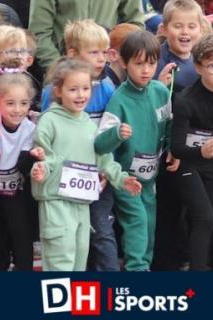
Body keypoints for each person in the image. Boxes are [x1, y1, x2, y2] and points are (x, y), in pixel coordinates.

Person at [31, 57, 141, 271]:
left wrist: (121, 178)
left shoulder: (89, 125)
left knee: (79, 261)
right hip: (56, 202)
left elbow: (103, 159)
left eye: (85, 88)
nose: (80, 95)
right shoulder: (49, 121)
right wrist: (40, 169)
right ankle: (58, 304)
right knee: (60, 261)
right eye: (73, 89)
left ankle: (75, 303)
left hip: (82, 204)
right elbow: (43, 154)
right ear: (58, 91)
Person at [95, 30, 177, 271]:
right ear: (124, 62)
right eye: (138, 64)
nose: (145, 70)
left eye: (151, 64)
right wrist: (117, 134)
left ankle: (144, 267)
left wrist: (172, 148)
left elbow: (170, 122)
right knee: (137, 223)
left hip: (151, 178)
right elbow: (100, 143)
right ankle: (136, 271)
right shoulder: (118, 100)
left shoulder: (161, 91)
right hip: (126, 179)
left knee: (149, 225)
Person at [169, 33, 213, 271]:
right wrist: (201, 151)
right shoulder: (185, 101)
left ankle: (197, 261)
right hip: (186, 164)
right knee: (204, 218)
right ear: (198, 67)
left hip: (210, 163)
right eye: (212, 66)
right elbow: (176, 147)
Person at [0, 72, 43, 271]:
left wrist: (33, 156)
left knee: (21, 236)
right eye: (10, 103)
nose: (18, 110)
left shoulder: (29, 128)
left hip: (16, 193)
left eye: (24, 103)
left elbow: (23, 167)